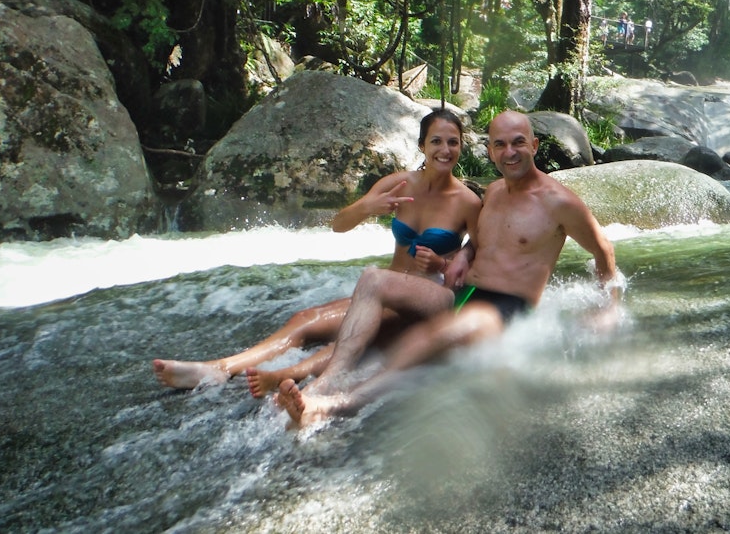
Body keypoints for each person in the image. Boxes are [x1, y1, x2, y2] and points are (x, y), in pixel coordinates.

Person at [276, 110, 620, 427]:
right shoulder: (495, 190)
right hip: (463, 292)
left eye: (518, 142)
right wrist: (463, 258)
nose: (509, 152)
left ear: (534, 145)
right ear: (489, 151)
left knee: (440, 332)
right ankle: (328, 381)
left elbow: (603, 250)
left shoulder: (560, 203)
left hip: (507, 307)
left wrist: (610, 307)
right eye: (500, 144)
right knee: (374, 279)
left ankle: (338, 405)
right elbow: (483, 239)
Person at [152, 109, 482, 395]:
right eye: (436, 141)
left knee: (359, 336)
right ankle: (219, 367)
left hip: (423, 299)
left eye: (452, 142)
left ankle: (292, 378)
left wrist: (444, 261)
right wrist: (367, 206)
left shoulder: (467, 202)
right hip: (386, 287)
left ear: (461, 147)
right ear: (422, 145)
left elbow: (479, 258)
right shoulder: (398, 183)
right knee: (305, 319)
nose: (445, 149)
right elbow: (339, 225)